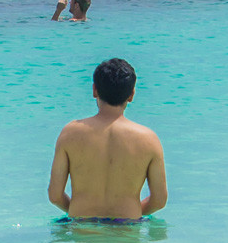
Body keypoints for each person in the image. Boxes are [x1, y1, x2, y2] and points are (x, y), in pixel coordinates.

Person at [48, 58, 167, 221]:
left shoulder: (70, 132)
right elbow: (159, 201)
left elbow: (55, 195)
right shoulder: (149, 139)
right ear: (131, 94)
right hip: (127, 228)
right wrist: (132, 214)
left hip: (81, 226)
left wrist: (80, 213)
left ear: (95, 90)